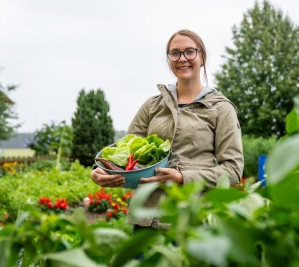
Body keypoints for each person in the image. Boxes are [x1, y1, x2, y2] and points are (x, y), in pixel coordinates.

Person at [90, 29, 244, 230]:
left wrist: (183, 178)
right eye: (175, 53)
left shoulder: (220, 109)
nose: (182, 58)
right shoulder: (153, 105)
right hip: (146, 216)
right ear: (169, 59)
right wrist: (100, 170)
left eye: (190, 51)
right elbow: (124, 152)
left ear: (202, 57)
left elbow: (232, 169)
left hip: (192, 217)